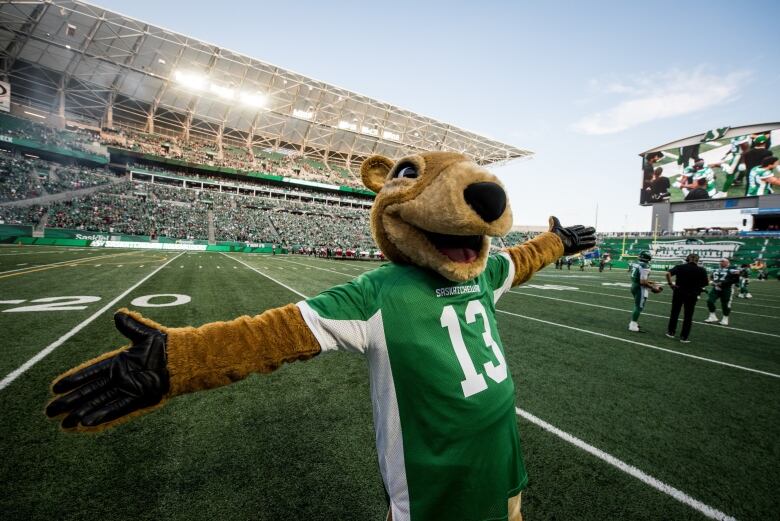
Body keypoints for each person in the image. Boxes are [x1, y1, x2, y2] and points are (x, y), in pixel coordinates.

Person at [665, 253, 709, 343]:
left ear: (687, 259)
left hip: (679, 292)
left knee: (675, 313)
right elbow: (705, 283)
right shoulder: (702, 270)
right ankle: (684, 337)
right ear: (697, 260)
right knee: (688, 316)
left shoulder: (680, 267)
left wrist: (671, 284)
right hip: (692, 294)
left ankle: (671, 332)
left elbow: (668, 274)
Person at [628, 250, 662, 332]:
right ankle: (632, 325)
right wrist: (653, 288)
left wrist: (651, 282)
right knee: (639, 307)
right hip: (640, 288)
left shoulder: (636, 263)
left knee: (637, 305)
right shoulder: (644, 265)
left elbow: (639, 278)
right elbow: (643, 282)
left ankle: (634, 323)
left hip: (634, 285)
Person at [704, 258, 741, 326]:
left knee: (725, 304)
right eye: (720, 261)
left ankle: (725, 318)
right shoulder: (716, 269)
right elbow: (711, 277)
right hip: (716, 288)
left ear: (727, 262)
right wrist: (711, 281)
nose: (721, 262)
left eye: (722, 261)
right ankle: (712, 316)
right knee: (710, 301)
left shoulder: (732, 269)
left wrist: (723, 283)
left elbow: (736, 280)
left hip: (727, 289)